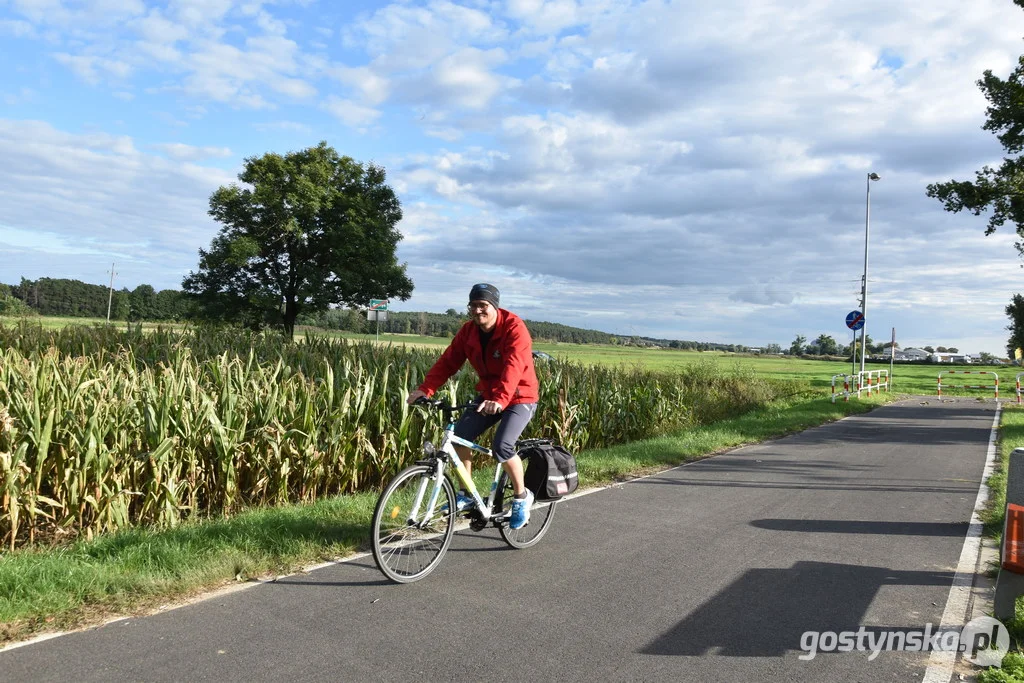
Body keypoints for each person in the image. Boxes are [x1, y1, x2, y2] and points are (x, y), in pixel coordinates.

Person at [407, 283, 539, 529]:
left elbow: (514, 366)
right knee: (457, 438)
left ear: (494, 306)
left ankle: (522, 497)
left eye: (483, 305)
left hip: (520, 395)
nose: (478, 311)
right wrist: (426, 389)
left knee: (503, 445)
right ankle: (465, 495)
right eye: (473, 305)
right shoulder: (468, 332)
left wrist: (500, 398)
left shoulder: (514, 328)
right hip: (489, 395)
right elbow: (448, 362)